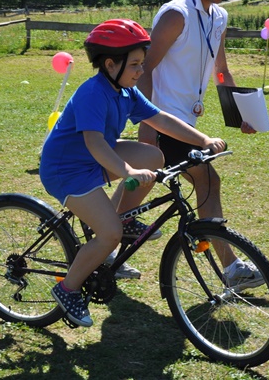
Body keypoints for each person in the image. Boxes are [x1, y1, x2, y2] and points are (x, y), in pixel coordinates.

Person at [39, 19, 226, 327]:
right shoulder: (92, 93)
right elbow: (95, 142)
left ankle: (122, 219)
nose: (142, 70)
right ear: (110, 64)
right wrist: (128, 171)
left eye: (142, 63)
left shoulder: (126, 91)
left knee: (153, 155)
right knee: (109, 233)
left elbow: (160, 119)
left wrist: (203, 140)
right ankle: (67, 288)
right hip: (67, 170)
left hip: (93, 159)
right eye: (135, 64)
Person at [137, 0, 268, 290]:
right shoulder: (176, 14)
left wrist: (240, 114)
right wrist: (147, 127)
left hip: (187, 121)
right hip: (164, 118)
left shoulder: (219, 16)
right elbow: (144, 69)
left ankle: (101, 244)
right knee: (208, 180)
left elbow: (221, 70)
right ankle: (232, 268)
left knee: (141, 182)